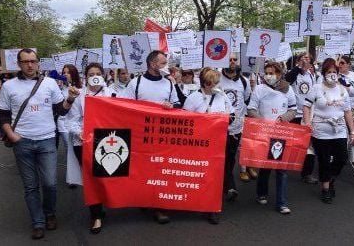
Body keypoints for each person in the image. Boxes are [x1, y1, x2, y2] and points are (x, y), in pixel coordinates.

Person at [0, 48, 80, 239]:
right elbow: (2, 115)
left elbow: (61, 110)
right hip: (22, 142)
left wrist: (70, 99)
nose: (30, 65)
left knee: (50, 183)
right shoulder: (9, 86)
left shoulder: (50, 84)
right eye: (25, 61)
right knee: (31, 186)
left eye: (33, 61)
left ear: (38, 63)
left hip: (47, 140)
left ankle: (50, 213)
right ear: (19, 64)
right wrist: (12, 134)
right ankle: (38, 222)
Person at [120, 50, 178, 224]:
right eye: (162, 63)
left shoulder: (169, 84)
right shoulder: (136, 83)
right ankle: (144, 198)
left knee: (161, 171)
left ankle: (160, 207)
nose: (165, 66)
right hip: (141, 136)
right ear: (153, 64)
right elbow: (124, 106)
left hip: (163, 136)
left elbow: (177, 104)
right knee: (143, 171)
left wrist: (171, 106)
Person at [183, 67, 234, 224]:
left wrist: (222, 120)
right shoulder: (193, 98)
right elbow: (186, 121)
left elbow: (231, 115)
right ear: (206, 83)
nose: (218, 85)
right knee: (200, 174)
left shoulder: (222, 95)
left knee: (215, 176)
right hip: (200, 145)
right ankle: (195, 201)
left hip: (218, 142)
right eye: (215, 82)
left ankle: (212, 208)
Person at [67, 63, 113, 233]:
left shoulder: (112, 93)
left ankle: (104, 205)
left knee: (105, 177)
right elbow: (70, 120)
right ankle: (96, 216)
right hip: (84, 143)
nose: (95, 75)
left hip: (107, 143)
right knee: (91, 180)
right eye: (91, 73)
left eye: (98, 73)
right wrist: (79, 132)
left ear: (103, 75)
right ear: (86, 76)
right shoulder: (79, 96)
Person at [303, 58, 354, 204]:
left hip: (339, 130)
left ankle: (330, 178)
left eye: (334, 72)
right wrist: (307, 123)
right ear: (324, 73)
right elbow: (307, 106)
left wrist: (352, 131)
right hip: (320, 130)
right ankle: (326, 188)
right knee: (324, 160)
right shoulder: (317, 88)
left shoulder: (342, 90)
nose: (332, 74)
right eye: (329, 72)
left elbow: (347, 112)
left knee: (341, 158)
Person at [248, 61, 296, 214]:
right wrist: (262, 121)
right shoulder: (259, 89)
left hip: (281, 133)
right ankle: (262, 193)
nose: (268, 76)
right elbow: (251, 109)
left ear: (279, 74)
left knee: (281, 169)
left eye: (272, 73)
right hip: (264, 132)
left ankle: (281, 203)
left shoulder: (288, 89)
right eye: (266, 73)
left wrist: (284, 117)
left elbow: (293, 109)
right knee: (265, 167)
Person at [219, 54, 252, 195]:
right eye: (229, 59)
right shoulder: (216, 79)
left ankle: (226, 182)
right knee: (220, 157)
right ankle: (228, 185)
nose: (232, 62)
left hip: (236, 127)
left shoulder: (244, 81)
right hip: (219, 127)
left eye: (234, 59)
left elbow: (246, 100)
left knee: (231, 157)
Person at [285, 53, 319, 184]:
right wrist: (298, 68)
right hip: (293, 113)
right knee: (289, 143)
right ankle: (283, 167)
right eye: (303, 58)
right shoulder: (293, 73)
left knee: (309, 145)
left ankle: (307, 173)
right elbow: (287, 81)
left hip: (306, 115)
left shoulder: (311, 75)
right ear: (298, 61)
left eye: (308, 58)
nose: (306, 60)